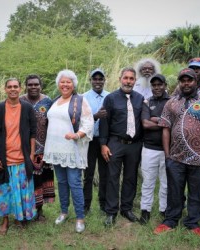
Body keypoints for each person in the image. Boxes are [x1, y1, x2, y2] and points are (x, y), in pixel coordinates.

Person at [154, 68, 200, 239]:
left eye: (189, 80)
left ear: (195, 82)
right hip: (175, 157)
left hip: (199, 157)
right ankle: (170, 220)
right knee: (174, 190)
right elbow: (165, 129)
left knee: (197, 191)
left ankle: (192, 222)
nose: (186, 83)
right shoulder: (171, 103)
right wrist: (167, 155)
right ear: (179, 82)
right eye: (183, 80)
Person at [43, 70, 94, 233]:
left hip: (72, 150)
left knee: (75, 183)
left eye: (68, 82)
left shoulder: (79, 100)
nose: (65, 85)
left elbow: (88, 123)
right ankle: (64, 212)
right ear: (58, 84)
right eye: (62, 82)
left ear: (74, 85)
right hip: (56, 150)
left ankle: (80, 217)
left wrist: (77, 134)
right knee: (62, 183)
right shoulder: (55, 101)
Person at [0, 78, 37, 235]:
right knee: (4, 191)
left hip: (22, 158)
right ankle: (5, 221)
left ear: (20, 88)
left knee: (22, 191)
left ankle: (19, 217)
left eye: (15, 86)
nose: (12, 89)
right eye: (9, 87)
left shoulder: (27, 108)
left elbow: (32, 133)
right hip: (4, 159)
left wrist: (30, 154)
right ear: (5, 89)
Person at [100, 67, 144, 226]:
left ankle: (127, 208)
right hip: (115, 143)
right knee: (112, 177)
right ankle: (111, 212)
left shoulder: (140, 98)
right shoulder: (111, 99)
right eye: (126, 78)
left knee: (130, 177)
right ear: (120, 79)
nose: (128, 81)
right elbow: (104, 122)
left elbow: (142, 122)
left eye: (131, 78)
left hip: (134, 145)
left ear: (135, 81)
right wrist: (103, 144)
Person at [20, 74, 55, 221]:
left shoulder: (47, 101)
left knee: (40, 180)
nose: (33, 87)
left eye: (36, 84)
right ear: (26, 86)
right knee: (26, 179)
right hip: (23, 148)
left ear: (41, 85)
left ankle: (39, 211)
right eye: (30, 84)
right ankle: (26, 209)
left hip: (43, 149)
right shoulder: (20, 100)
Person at [139, 74, 170, 224]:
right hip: (149, 148)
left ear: (165, 85)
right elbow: (145, 124)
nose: (157, 87)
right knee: (148, 181)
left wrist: (155, 119)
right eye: (154, 85)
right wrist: (164, 122)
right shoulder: (147, 102)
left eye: (160, 84)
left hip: (167, 150)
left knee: (165, 182)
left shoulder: (172, 102)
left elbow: (174, 123)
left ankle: (164, 210)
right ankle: (145, 210)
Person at [82, 68, 109, 214]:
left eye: (100, 79)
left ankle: (103, 204)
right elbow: (81, 119)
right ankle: (86, 206)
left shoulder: (111, 97)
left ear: (105, 80)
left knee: (105, 174)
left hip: (105, 141)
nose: (98, 81)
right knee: (88, 174)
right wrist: (95, 116)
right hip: (89, 140)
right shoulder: (83, 97)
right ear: (91, 80)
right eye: (95, 79)